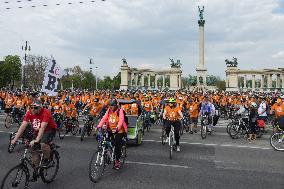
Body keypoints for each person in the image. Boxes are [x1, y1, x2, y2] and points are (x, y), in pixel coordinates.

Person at [11, 99, 57, 176]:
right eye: (31, 107)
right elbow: (22, 126)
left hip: (49, 130)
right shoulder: (29, 113)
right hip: (37, 130)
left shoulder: (46, 112)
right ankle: (37, 168)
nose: (33, 109)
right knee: (32, 149)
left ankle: (47, 159)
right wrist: (15, 139)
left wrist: (37, 140)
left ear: (40, 107)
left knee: (42, 143)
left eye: (35, 107)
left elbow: (42, 128)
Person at [96, 99, 128, 170]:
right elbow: (104, 118)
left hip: (119, 130)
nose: (110, 107)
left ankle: (117, 161)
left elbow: (121, 120)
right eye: (109, 105)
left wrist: (117, 128)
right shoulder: (109, 111)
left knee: (117, 145)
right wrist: (99, 126)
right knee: (104, 140)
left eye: (112, 106)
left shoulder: (120, 111)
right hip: (110, 129)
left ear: (116, 105)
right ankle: (107, 152)